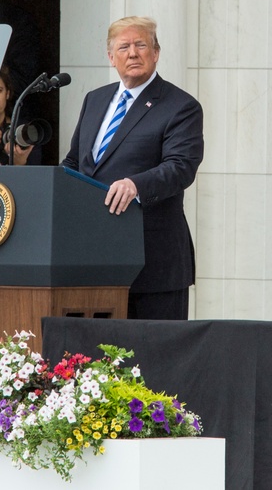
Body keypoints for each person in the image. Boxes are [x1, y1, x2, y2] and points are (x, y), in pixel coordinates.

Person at [62, 16, 203, 320]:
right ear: (111, 57)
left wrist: (135, 185)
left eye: (141, 44)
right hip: (92, 259)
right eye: (123, 47)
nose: (133, 53)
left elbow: (180, 167)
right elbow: (75, 162)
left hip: (152, 261)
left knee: (156, 360)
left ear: (156, 52)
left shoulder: (180, 106)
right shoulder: (95, 99)